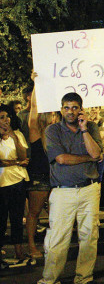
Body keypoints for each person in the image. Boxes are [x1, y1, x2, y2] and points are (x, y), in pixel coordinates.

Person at [39, 92, 103, 284]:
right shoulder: (52, 130)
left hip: (89, 189)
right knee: (58, 238)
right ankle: (49, 279)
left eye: (75, 107)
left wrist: (84, 130)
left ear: (81, 110)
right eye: (66, 108)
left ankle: (84, 277)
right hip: (63, 191)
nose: (70, 111)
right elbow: (61, 159)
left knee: (89, 236)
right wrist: (89, 159)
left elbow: (97, 153)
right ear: (61, 109)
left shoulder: (91, 127)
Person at [25, 79, 59, 259]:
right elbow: (34, 107)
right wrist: (36, 82)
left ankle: (53, 245)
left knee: (56, 215)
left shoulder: (57, 133)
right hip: (39, 177)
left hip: (56, 177)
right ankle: (31, 246)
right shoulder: (36, 131)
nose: (54, 117)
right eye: (51, 114)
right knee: (34, 213)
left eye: (55, 114)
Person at [0, 103, 29, 264]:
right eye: (2, 117)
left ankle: (19, 251)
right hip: (2, 183)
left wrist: (14, 137)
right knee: (1, 220)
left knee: (17, 218)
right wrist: (16, 162)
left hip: (17, 181)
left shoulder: (17, 134)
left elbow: (23, 156)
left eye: (8, 116)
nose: (6, 120)